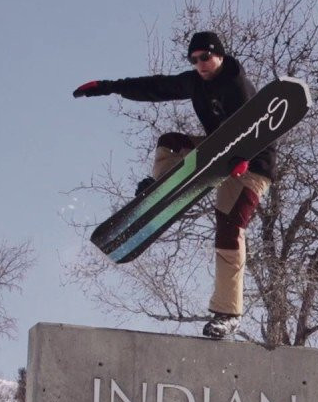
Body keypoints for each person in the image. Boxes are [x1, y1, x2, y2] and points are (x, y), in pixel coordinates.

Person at [72, 31, 273, 339]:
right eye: (194, 60)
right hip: (218, 154)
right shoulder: (195, 83)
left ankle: (228, 313)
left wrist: (244, 156)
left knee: (230, 230)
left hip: (252, 167)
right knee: (170, 142)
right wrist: (110, 87)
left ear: (218, 55)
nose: (200, 65)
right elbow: (156, 87)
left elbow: (258, 129)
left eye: (205, 58)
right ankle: (159, 188)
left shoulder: (237, 85)